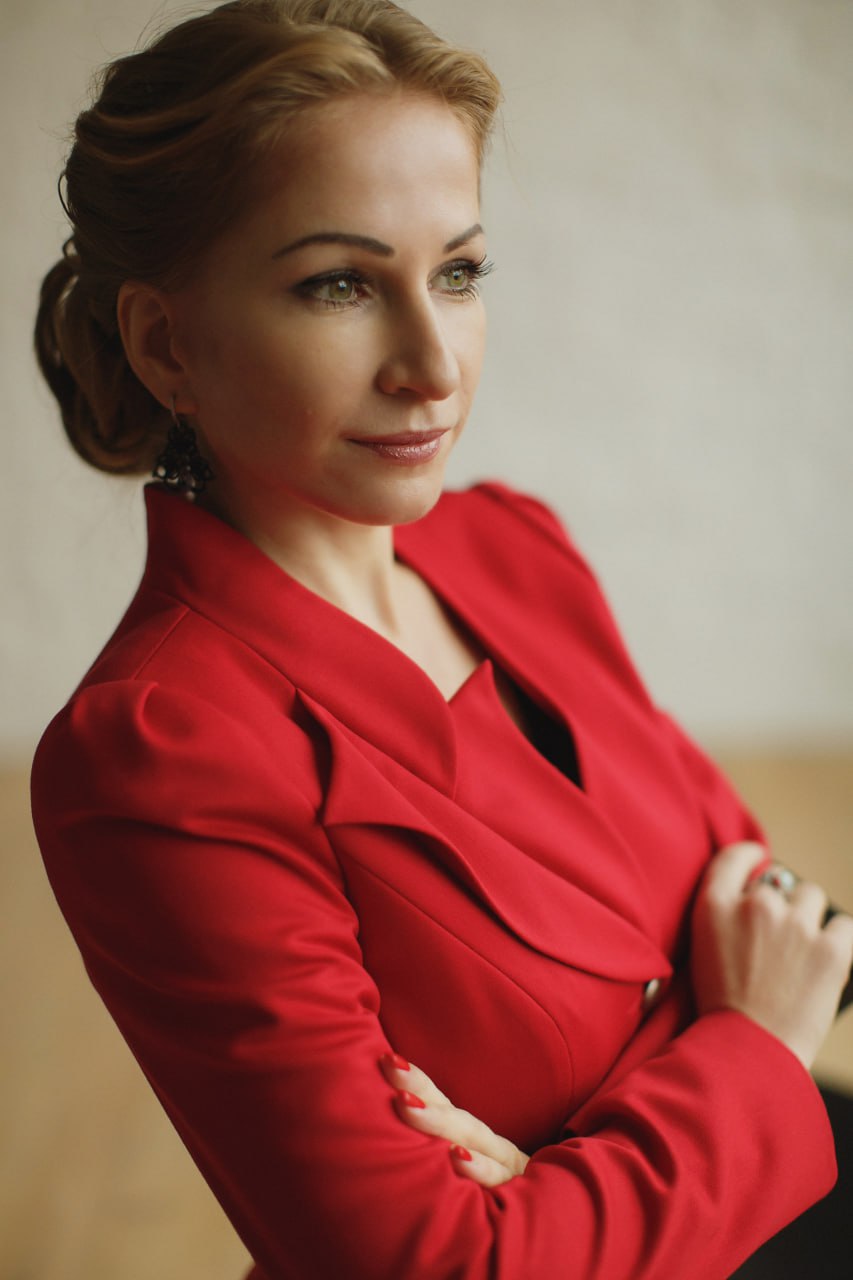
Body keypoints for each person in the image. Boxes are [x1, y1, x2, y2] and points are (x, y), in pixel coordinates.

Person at [31, 2, 853, 1277]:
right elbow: (439, 1261)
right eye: (340, 284)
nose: (433, 362)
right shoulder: (158, 750)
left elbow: (765, 913)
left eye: (458, 273)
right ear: (164, 341)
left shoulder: (510, 544)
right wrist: (749, 1048)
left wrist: (557, 1181)